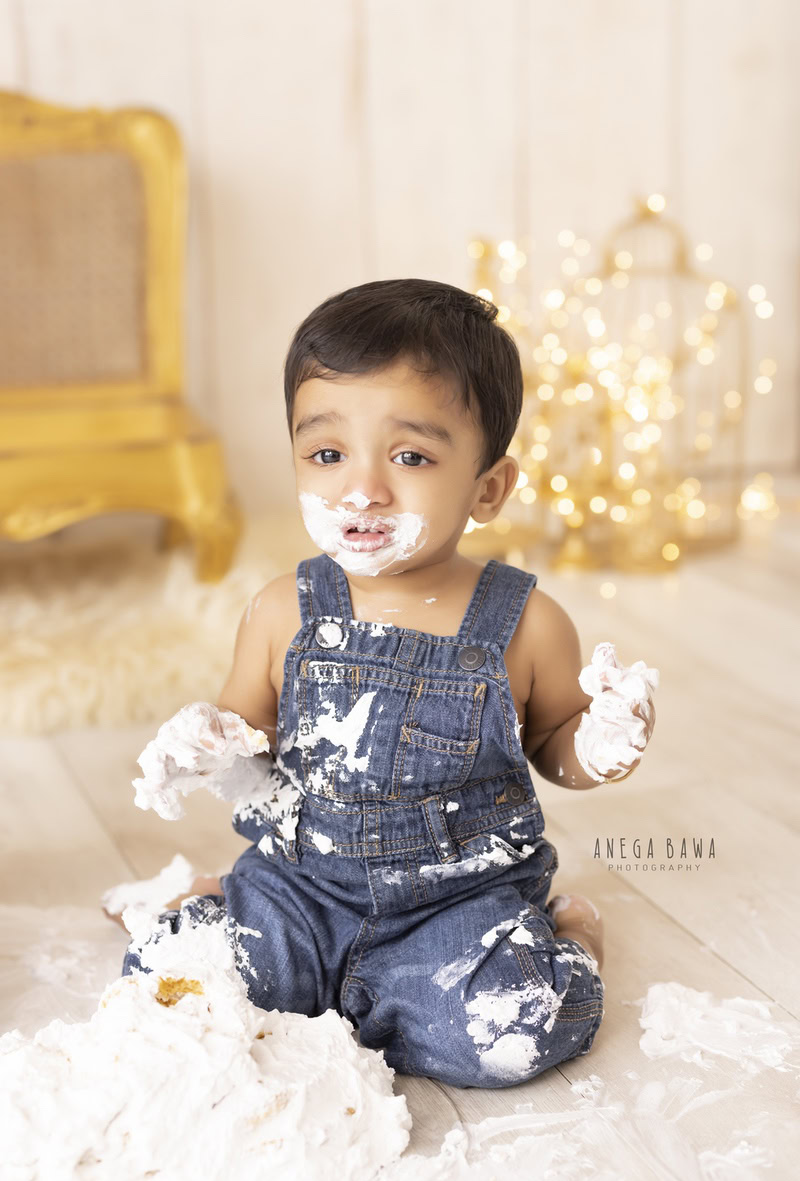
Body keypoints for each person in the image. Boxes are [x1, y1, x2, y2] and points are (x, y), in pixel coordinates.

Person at [116, 278, 658, 1088]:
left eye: (410, 456)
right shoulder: (280, 611)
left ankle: (569, 938)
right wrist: (212, 742)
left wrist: (605, 743)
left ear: (487, 488)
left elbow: (556, 748)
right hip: (302, 891)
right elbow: (247, 735)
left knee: (519, 1030)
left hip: (458, 908)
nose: (362, 487)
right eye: (327, 454)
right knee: (169, 983)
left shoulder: (525, 623)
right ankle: (230, 905)